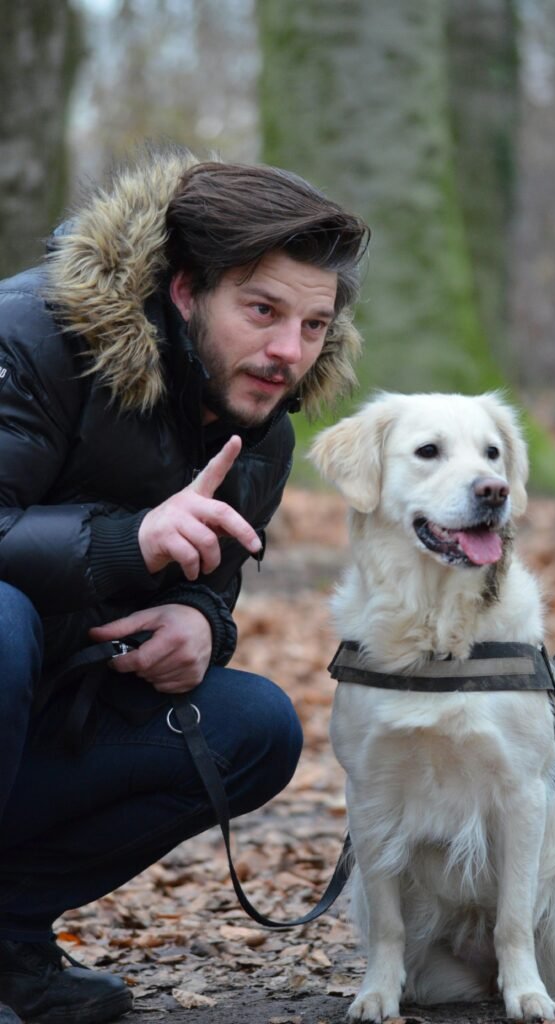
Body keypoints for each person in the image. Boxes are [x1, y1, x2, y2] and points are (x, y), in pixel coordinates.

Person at [0, 146, 369, 1024]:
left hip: (55, 703)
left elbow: (213, 581)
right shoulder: (32, 335)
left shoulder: (261, 425)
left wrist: (203, 625)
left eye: (314, 326)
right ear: (183, 290)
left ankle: (8, 938)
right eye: (262, 310)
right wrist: (130, 541)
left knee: (254, 726)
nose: (289, 352)